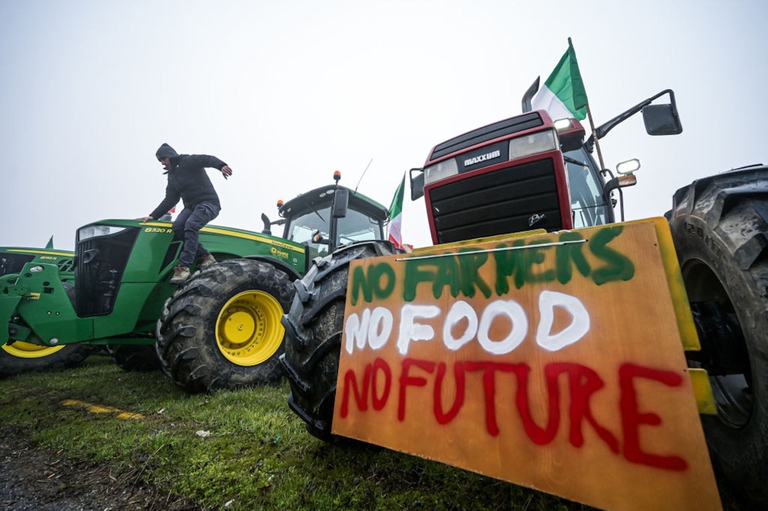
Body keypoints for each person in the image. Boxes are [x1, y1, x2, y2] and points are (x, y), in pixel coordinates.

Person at [141, 143, 233, 284]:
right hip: (190, 206)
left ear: (170, 156)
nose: (162, 163)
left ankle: (184, 267)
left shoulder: (187, 161)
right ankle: (205, 256)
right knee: (178, 226)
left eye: (163, 159)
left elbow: (206, 159)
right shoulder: (172, 177)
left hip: (208, 203)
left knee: (191, 224)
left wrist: (221, 166)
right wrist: (153, 216)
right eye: (160, 161)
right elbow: (170, 199)